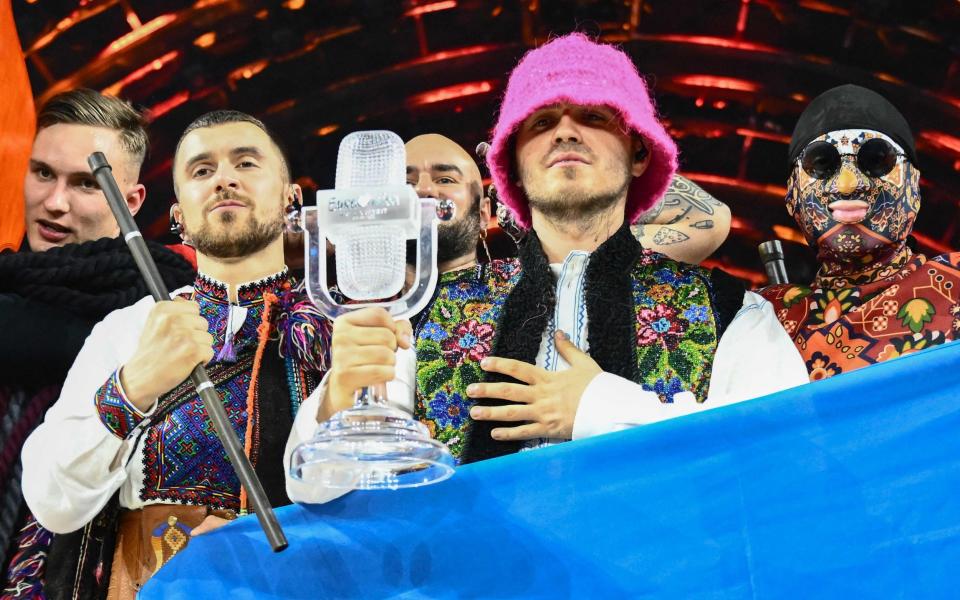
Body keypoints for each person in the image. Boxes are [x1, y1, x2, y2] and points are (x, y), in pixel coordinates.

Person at [286, 34, 807, 477]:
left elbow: (786, 459)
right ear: (511, 161)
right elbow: (315, 483)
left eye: (594, 115)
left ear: (640, 152)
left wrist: (600, 409)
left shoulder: (731, 309)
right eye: (540, 122)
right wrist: (339, 400)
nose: (564, 130)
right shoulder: (419, 317)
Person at [19, 110, 332, 598]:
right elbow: (51, 501)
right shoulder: (125, 328)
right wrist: (133, 386)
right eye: (201, 170)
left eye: (246, 163)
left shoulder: (342, 327)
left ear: (292, 197)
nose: (224, 178)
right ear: (178, 213)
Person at [0, 89, 195, 597]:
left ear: (130, 201)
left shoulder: (166, 311)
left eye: (85, 183)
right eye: (43, 173)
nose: (55, 202)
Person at [758, 85, 960, 380]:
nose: (848, 183)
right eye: (822, 163)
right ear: (791, 196)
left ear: (914, 187)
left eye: (876, 160)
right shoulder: (766, 315)